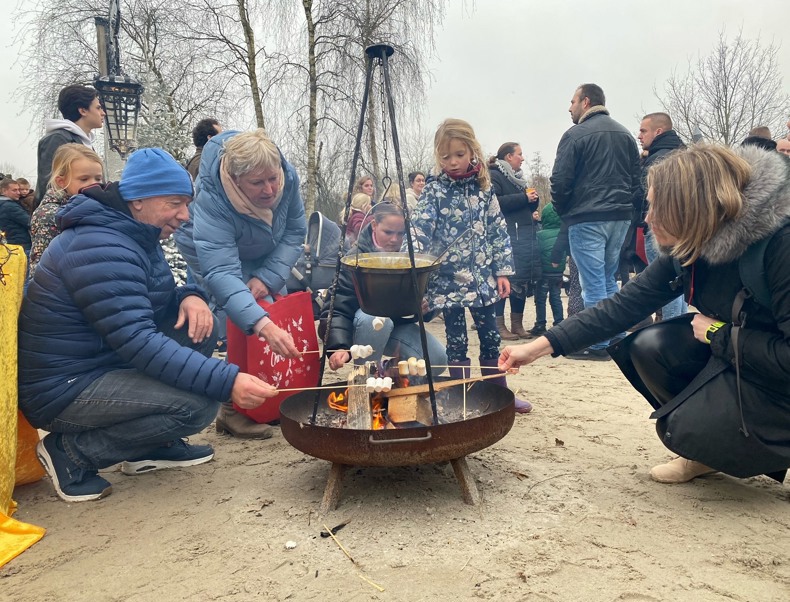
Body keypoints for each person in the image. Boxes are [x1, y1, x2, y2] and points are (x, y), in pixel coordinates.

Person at [500, 144, 790, 485]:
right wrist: (538, 347)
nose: (647, 219)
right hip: (748, 358)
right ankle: (710, 452)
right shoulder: (694, 243)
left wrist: (718, 334)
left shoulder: (779, 246)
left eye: (655, 208)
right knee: (652, 346)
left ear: (690, 209)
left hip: (779, 373)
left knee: (690, 421)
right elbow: (622, 307)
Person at [18, 148, 278, 503]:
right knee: (197, 406)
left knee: (196, 326)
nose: (185, 215)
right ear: (138, 200)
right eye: (175, 203)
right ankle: (72, 454)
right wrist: (228, 380)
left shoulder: (135, 231)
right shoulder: (100, 245)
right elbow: (138, 341)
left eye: (187, 203)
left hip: (102, 362)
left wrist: (190, 295)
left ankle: (149, 447)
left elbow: (153, 298)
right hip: (64, 387)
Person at [174, 129, 306, 439]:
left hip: (263, 250)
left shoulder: (287, 176)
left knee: (272, 310)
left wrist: (268, 277)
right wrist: (263, 323)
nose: (270, 189)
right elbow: (222, 272)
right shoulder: (213, 199)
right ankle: (231, 411)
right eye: (257, 183)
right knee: (245, 314)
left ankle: (265, 404)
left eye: (272, 178)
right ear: (234, 179)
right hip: (210, 249)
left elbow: (294, 232)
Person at [407, 118, 531, 413]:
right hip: (447, 281)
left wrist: (501, 271)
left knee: (489, 336)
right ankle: (459, 395)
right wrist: (407, 264)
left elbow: (497, 229)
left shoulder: (484, 188)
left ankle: (498, 395)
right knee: (457, 340)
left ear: (472, 150)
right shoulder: (434, 191)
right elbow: (419, 229)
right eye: (445, 156)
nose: (452, 162)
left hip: (482, 279)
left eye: (459, 155)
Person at [550, 83, 641, 360]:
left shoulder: (575, 135)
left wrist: (567, 211)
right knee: (608, 280)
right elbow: (637, 181)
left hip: (587, 217)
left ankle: (599, 344)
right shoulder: (625, 134)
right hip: (620, 217)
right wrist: (627, 209)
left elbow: (560, 181)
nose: (570, 107)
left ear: (585, 102)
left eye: (572, 101)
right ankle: (616, 337)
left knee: (592, 283)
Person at [324, 202, 447, 373]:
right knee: (376, 320)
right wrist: (339, 345)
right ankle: (366, 378)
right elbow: (336, 305)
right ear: (374, 225)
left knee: (437, 360)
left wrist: (426, 307)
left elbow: (431, 294)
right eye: (388, 232)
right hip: (361, 327)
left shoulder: (413, 256)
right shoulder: (356, 258)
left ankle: (387, 374)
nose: (395, 239)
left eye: (401, 233)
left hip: (398, 327)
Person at [488, 142, 541, 340]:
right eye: (520, 154)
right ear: (509, 157)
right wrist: (523, 198)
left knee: (521, 281)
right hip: (507, 237)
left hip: (524, 237)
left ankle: (517, 325)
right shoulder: (495, 175)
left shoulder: (519, 179)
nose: (523, 158)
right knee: (504, 281)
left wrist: (533, 199)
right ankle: (499, 325)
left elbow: (524, 204)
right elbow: (496, 203)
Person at [637, 112, 687, 321]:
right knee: (680, 283)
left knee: (666, 283)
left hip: (661, 230)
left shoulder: (658, 160)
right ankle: (680, 327)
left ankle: (671, 328)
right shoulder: (683, 156)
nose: (639, 136)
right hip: (682, 228)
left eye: (643, 131)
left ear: (658, 131)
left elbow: (643, 195)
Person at [29, 144, 104, 278]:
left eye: (98, 178)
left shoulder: (97, 208)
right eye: (84, 179)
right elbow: (40, 268)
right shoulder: (49, 214)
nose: (94, 184)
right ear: (62, 181)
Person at [34, 84, 105, 210]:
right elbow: (50, 185)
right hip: (64, 219)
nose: (102, 113)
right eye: (98, 108)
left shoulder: (82, 140)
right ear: (82, 110)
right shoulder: (57, 139)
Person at [533, 202, 565, 332]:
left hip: (544, 273)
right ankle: (559, 322)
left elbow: (537, 252)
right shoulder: (563, 234)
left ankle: (540, 324)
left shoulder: (540, 235)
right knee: (556, 298)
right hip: (558, 273)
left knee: (540, 299)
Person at [0, 178, 30, 254]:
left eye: (18, 190)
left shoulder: (3, 204)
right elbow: (29, 222)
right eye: (14, 190)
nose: (18, 193)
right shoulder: (10, 206)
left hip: (10, 245)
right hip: (21, 245)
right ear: (4, 191)